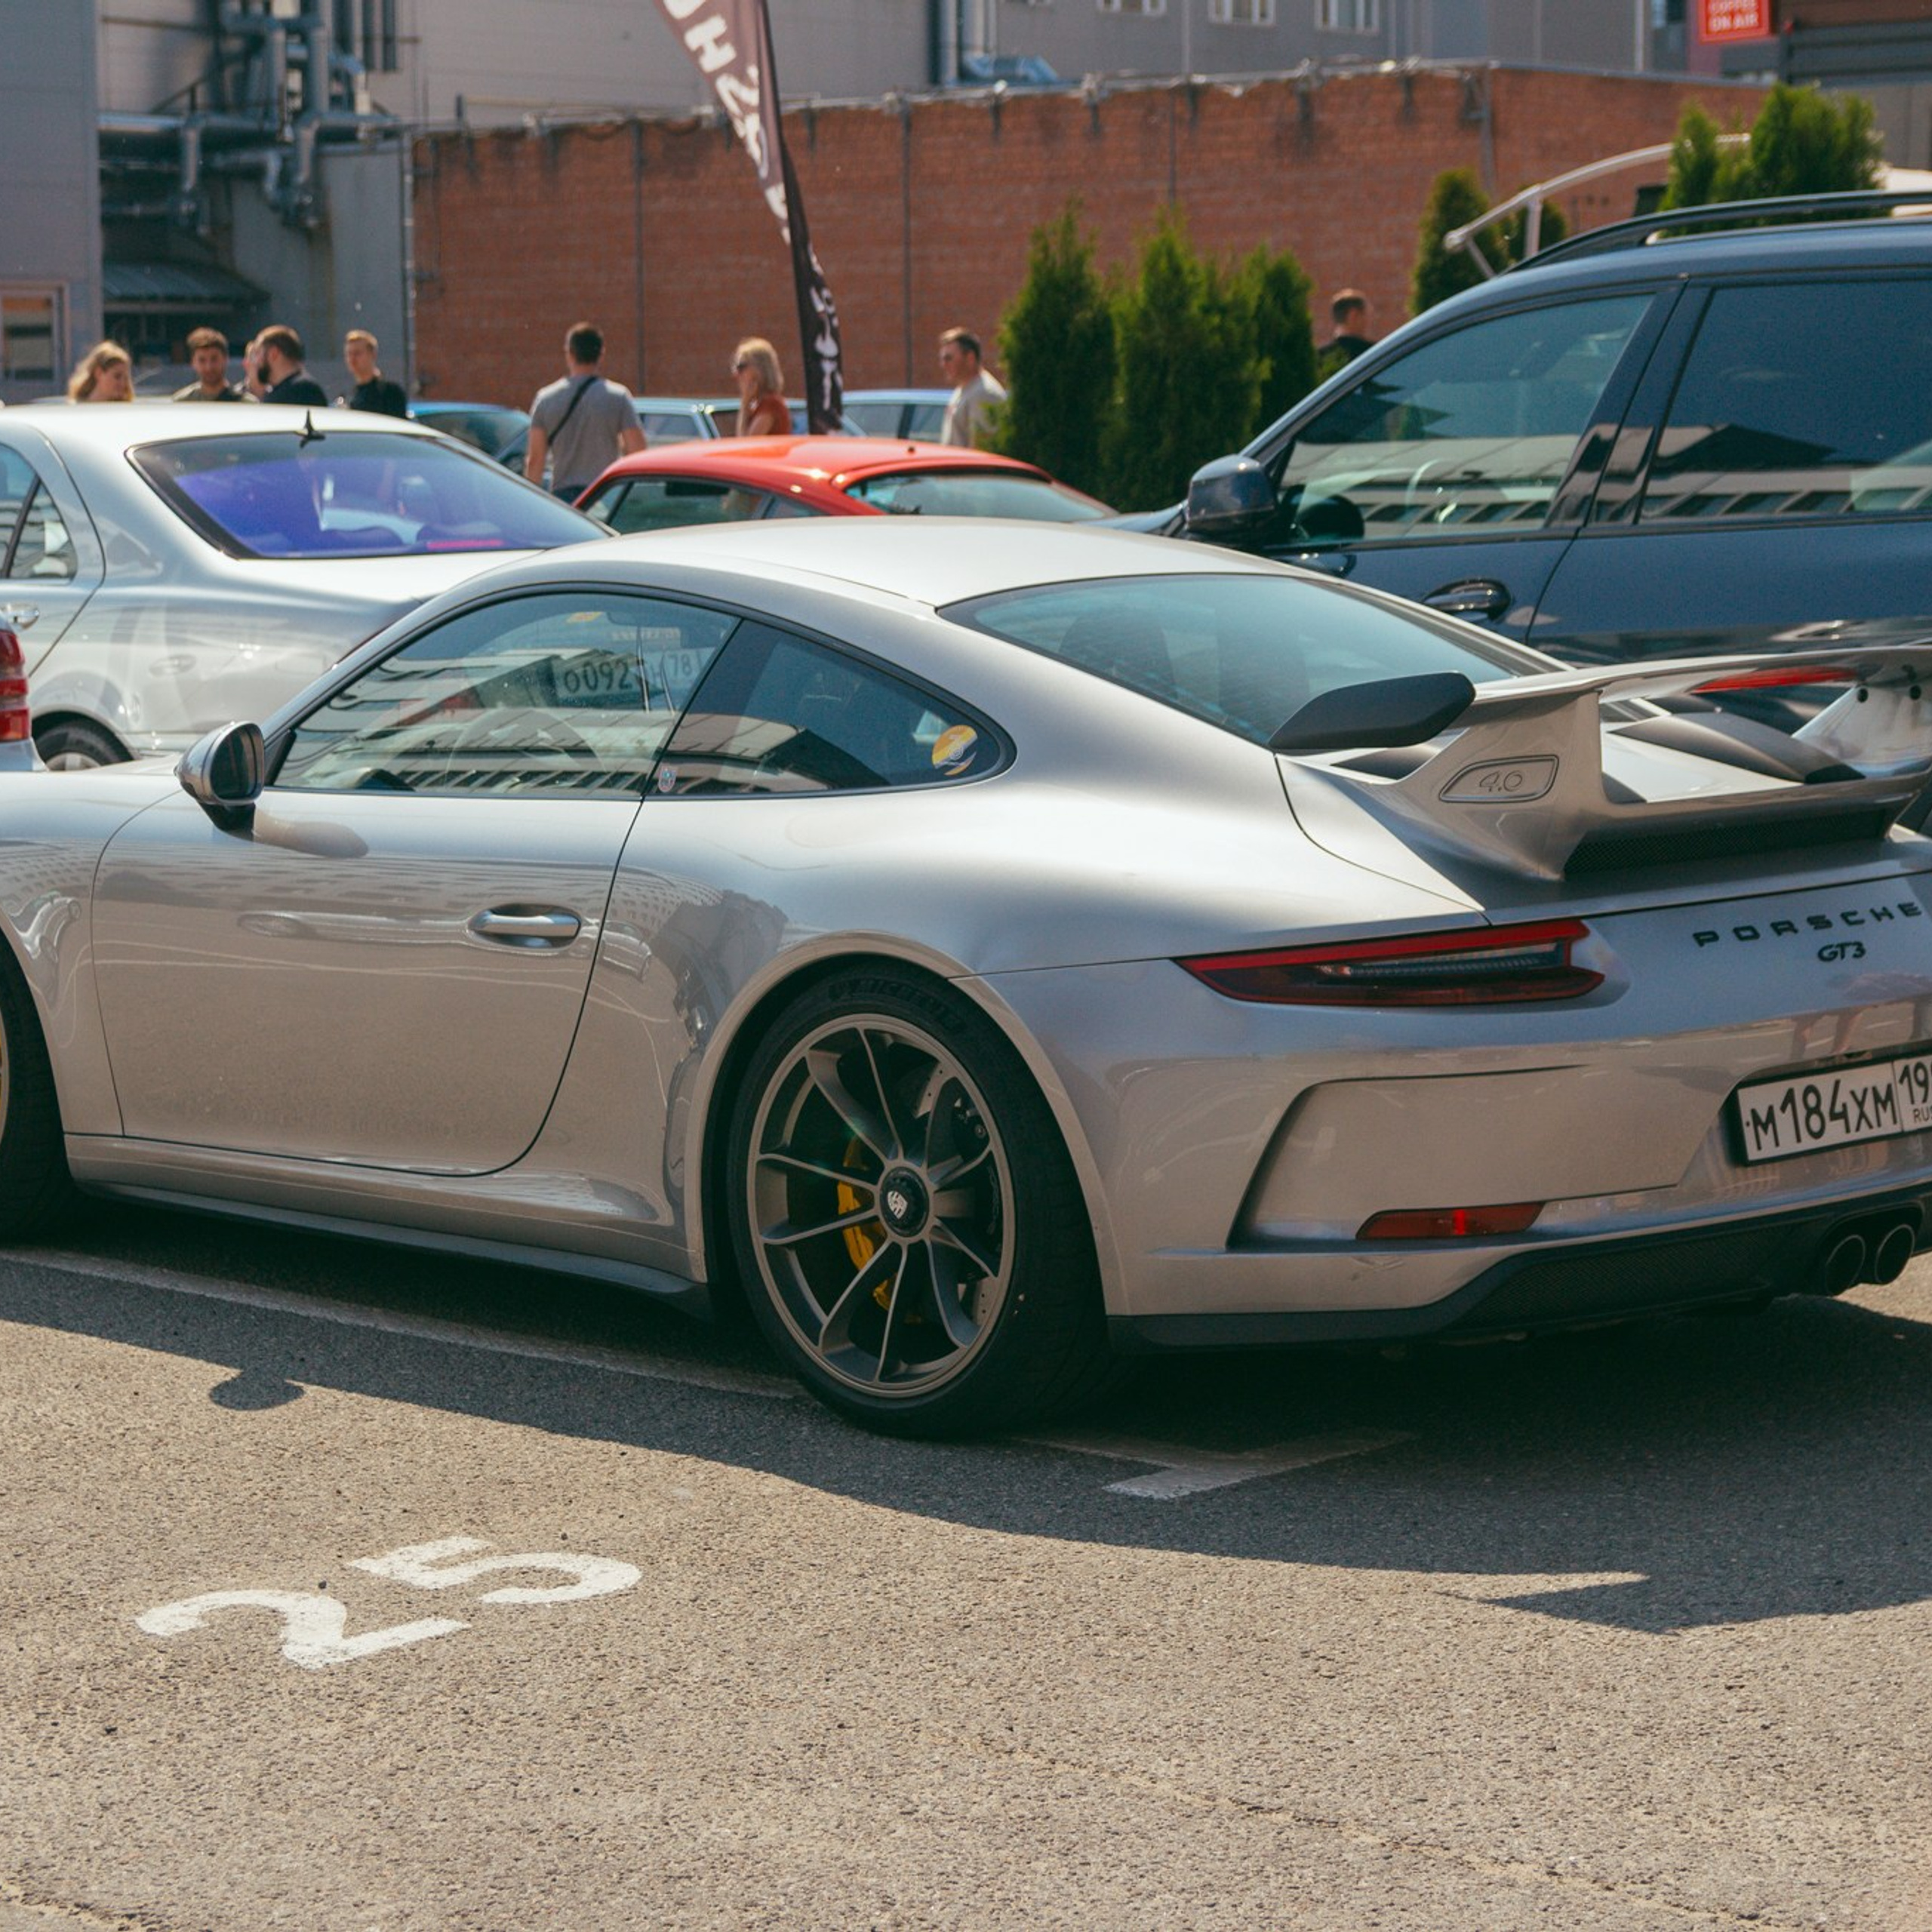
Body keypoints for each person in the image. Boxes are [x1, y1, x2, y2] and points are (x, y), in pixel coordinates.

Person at [525, 322, 645, 500]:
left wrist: (531, 502)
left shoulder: (546, 399)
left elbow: (536, 460)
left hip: (563, 498)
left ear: (570, 354)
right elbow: (637, 450)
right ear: (601, 354)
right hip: (604, 494)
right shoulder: (618, 397)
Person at [937, 328, 1007, 448]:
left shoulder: (984, 393)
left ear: (970, 358)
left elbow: (982, 449)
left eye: (948, 358)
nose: (943, 365)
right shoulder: (963, 389)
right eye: (942, 359)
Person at [254, 325, 329, 408]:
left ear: (273, 353)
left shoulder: (304, 392)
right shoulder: (279, 392)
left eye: (258, 354)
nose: (256, 361)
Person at [340, 328, 409, 417]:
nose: (352, 359)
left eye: (357, 353)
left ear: (373, 355)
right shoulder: (350, 396)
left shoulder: (390, 393)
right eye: (349, 354)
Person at [171, 327, 251, 402]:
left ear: (226, 359)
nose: (208, 367)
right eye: (202, 360)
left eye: (214, 359)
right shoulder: (182, 403)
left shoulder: (244, 403)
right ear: (193, 363)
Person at [731, 337, 789, 437]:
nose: (736, 374)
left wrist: (745, 404)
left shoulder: (771, 404)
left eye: (741, 367)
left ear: (759, 369)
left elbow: (747, 445)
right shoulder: (758, 405)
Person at [1319, 290, 1375, 376]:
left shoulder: (1320, 356)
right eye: (1367, 315)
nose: (1370, 321)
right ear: (1354, 315)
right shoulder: (1372, 353)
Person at [68, 342, 134, 403]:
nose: (123, 383)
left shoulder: (128, 412)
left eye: (126, 378)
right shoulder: (75, 410)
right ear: (98, 373)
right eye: (117, 376)